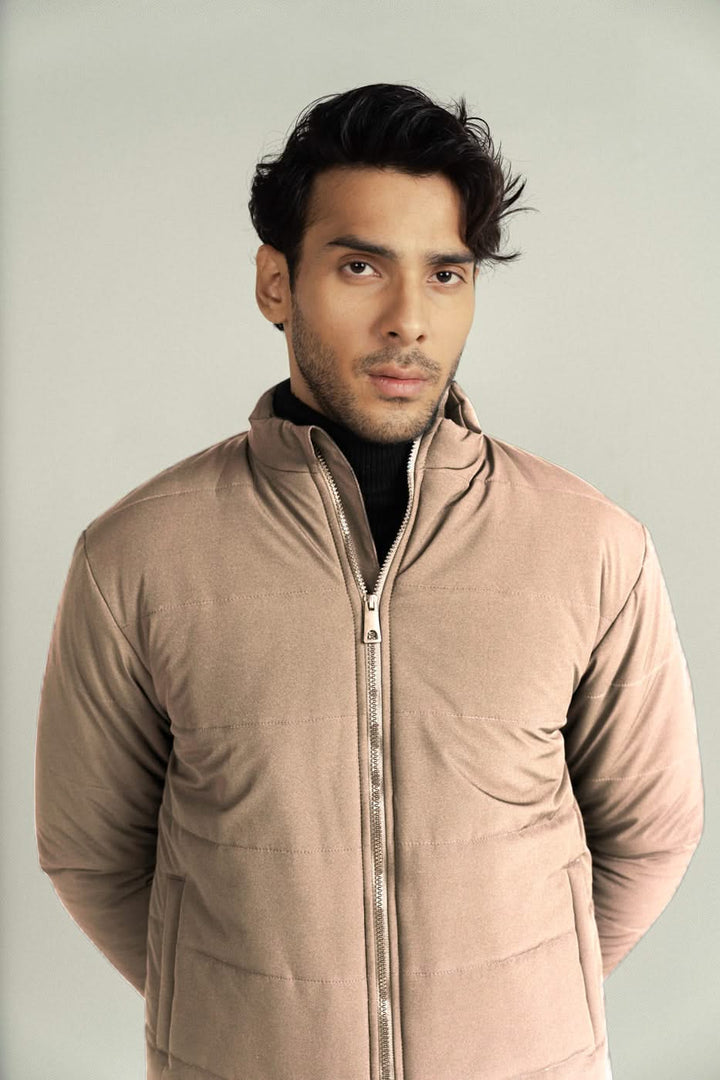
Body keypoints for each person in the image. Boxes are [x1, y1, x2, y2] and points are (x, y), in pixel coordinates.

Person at [34, 83, 704, 1080]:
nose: (408, 321)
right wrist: (253, 1017)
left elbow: (650, 833)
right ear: (276, 283)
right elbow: (92, 851)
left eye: (446, 274)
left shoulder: (593, 548)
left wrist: (516, 1010)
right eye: (361, 267)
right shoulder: (136, 557)